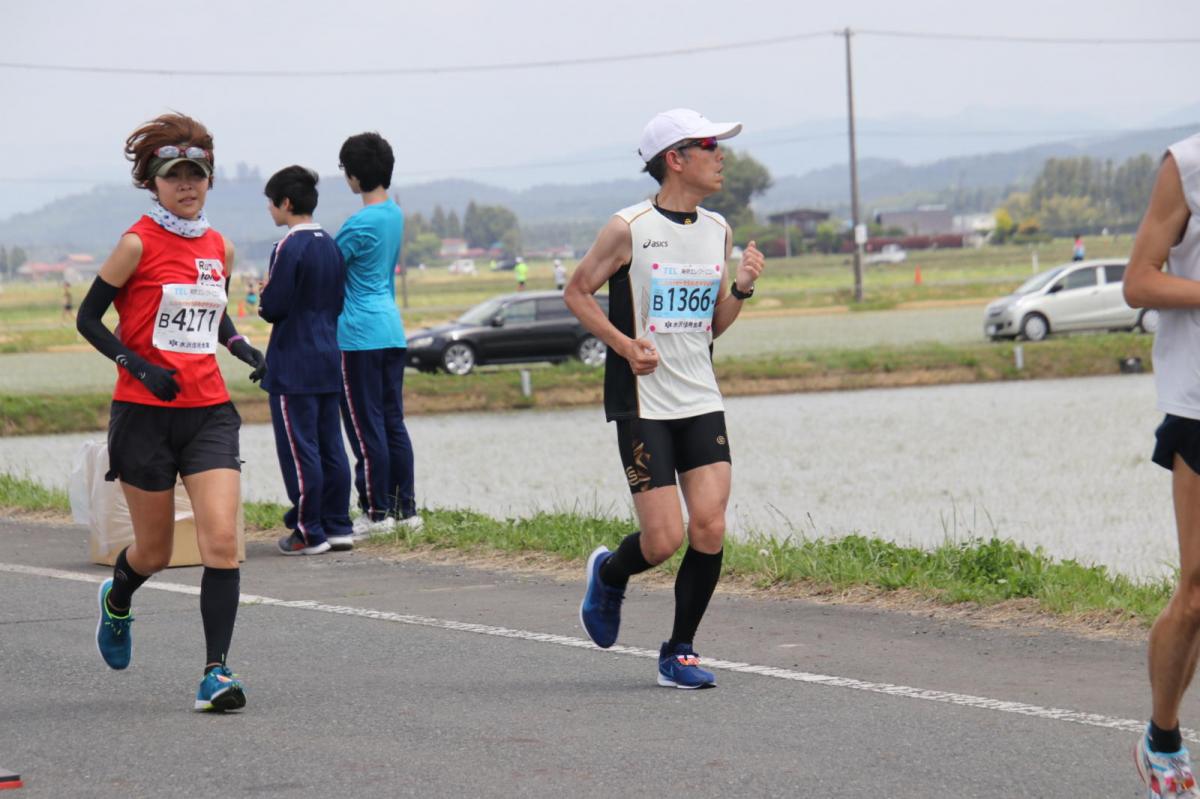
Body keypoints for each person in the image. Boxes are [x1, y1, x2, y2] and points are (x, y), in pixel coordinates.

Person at [564, 108, 764, 689]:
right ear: (674, 159)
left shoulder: (719, 230)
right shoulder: (627, 227)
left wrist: (742, 290)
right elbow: (577, 293)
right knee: (664, 539)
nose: (721, 155)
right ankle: (610, 572)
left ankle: (680, 651)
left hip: (701, 396)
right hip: (642, 401)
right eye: (708, 145)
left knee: (709, 527)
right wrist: (625, 345)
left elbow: (708, 328)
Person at [75, 112, 265, 712]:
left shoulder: (219, 245)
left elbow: (213, 311)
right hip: (144, 414)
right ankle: (119, 597)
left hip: (209, 411)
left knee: (222, 543)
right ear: (153, 182)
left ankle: (216, 673)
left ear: (209, 179)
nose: (187, 185)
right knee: (154, 552)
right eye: (174, 176)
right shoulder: (135, 242)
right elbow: (88, 318)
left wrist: (240, 347)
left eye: (197, 175)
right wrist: (137, 365)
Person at [1124, 133, 1200, 798]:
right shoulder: (1190, 164)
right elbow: (1138, 280)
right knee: (1199, 589)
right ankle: (1163, 736)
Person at [259, 166, 353, 556]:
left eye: (271, 202)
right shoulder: (330, 243)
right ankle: (338, 525)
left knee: (300, 449)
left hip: (292, 362)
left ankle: (308, 531)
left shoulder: (288, 247)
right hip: (329, 356)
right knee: (332, 445)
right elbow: (339, 300)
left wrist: (264, 297)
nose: (270, 209)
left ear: (286, 203)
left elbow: (273, 306)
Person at [335, 132, 421, 537]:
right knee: (392, 422)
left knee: (365, 426)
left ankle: (376, 513)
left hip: (358, 334)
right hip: (391, 329)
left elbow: (328, 269)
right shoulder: (394, 214)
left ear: (352, 177)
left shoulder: (357, 224)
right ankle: (407, 510)